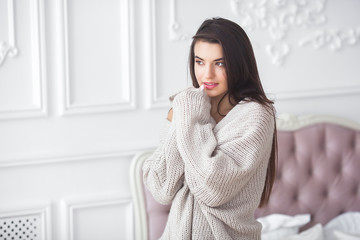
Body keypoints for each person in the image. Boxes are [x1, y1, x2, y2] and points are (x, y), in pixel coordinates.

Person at [143, 17, 277, 240]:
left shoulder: (256, 115)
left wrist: (188, 116)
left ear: (238, 63)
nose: (207, 75)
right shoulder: (189, 106)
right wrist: (184, 115)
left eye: (220, 63)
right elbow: (161, 188)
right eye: (200, 62)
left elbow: (212, 189)